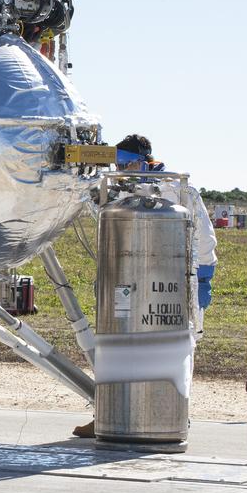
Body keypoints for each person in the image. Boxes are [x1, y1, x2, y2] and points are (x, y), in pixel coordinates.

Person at [72, 133, 218, 438]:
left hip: (177, 277)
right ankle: (108, 415)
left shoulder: (178, 190)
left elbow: (204, 234)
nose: (122, 169)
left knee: (178, 347)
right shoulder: (116, 192)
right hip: (127, 276)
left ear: (144, 160)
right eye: (118, 163)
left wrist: (204, 277)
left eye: (127, 163)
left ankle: (174, 415)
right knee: (117, 344)